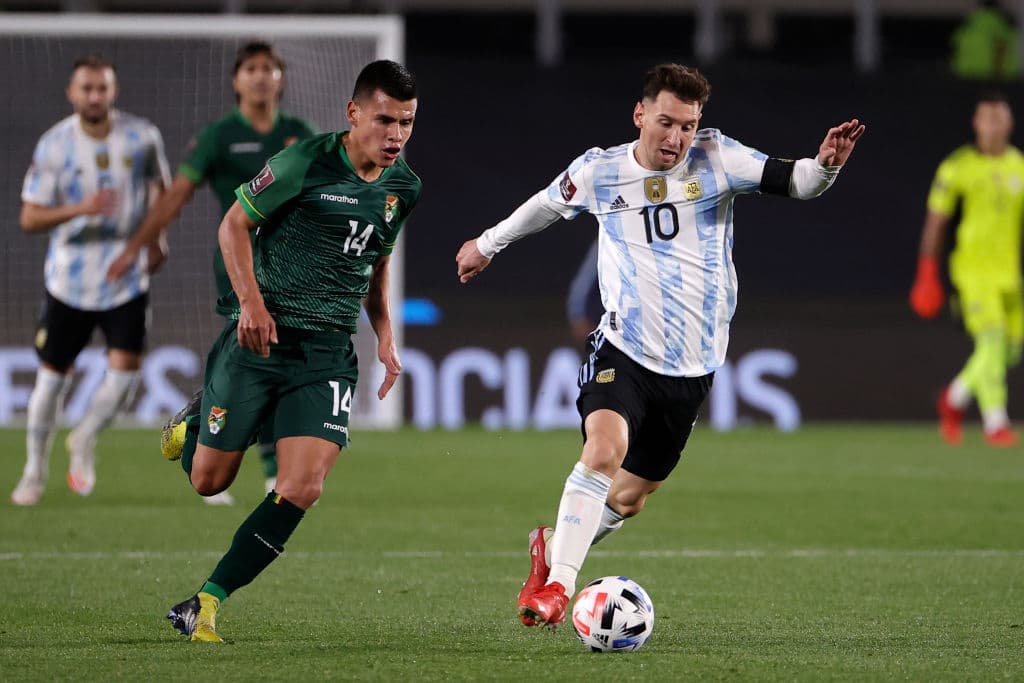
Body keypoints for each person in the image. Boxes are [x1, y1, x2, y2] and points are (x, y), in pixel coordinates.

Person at [456, 63, 864, 628]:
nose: (676, 139)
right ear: (640, 115)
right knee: (602, 451)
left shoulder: (718, 159)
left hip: (694, 367)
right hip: (623, 349)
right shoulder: (599, 171)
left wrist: (825, 166)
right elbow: (547, 205)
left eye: (689, 126)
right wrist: (488, 243)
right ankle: (557, 587)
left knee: (626, 500)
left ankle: (549, 545)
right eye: (666, 123)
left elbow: (795, 181)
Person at [160, 59, 420, 643]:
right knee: (209, 481)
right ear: (354, 114)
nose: (395, 135)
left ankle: (205, 601)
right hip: (260, 338)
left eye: (406, 122)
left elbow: (374, 263)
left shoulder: (405, 187)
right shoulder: (304, 161)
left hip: (327, 353)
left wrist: (383, 333)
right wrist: (250, 305)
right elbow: (232, 227)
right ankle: (198, 420)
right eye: (384, 120)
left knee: (302, 486)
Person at [107, 41, 318, 505]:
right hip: (241, 266)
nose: (262, 76)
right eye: (252, 68)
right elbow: (177, 194)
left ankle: (214, 436)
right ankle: (224, 449)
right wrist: (137, 247)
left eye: (270, 68)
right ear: (236, 80)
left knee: (267, 361)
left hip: (292, 268)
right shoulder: (219, 137)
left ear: (281, 78)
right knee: (259, 358)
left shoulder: (299, 133)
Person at [11, 54, 170, 506]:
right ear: (72, 93)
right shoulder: (54, 145)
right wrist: (80, 209)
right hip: (69, 281)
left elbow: (161, 189)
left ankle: (83, 439)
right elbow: (29, 216)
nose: (95, 96)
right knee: (50, 380)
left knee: (125, 378)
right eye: (87, 88)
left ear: (113, 91)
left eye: (102, 88)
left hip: (126, 276)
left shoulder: (142, 136)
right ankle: (34, 470)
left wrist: (157, 238)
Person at [909, 92, 1023, 447]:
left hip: (1010, 273)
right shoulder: (957, 167)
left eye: (998, 118)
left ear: (1009, 123)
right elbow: (935, 224)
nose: (991, 126)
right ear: (975, 123)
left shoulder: (1019, 165)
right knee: (991, 339)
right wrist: (927, 273)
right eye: (985, 118)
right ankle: (996, 423)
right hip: (973, 272)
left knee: (1011, 349)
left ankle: (954, 398)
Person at [951, 0, 1019, 80]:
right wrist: (999, 74)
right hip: (988, 73)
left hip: (964, 72)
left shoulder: (970, 23)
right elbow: (1001, 47)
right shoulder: (998, 22)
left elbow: (955, 44)